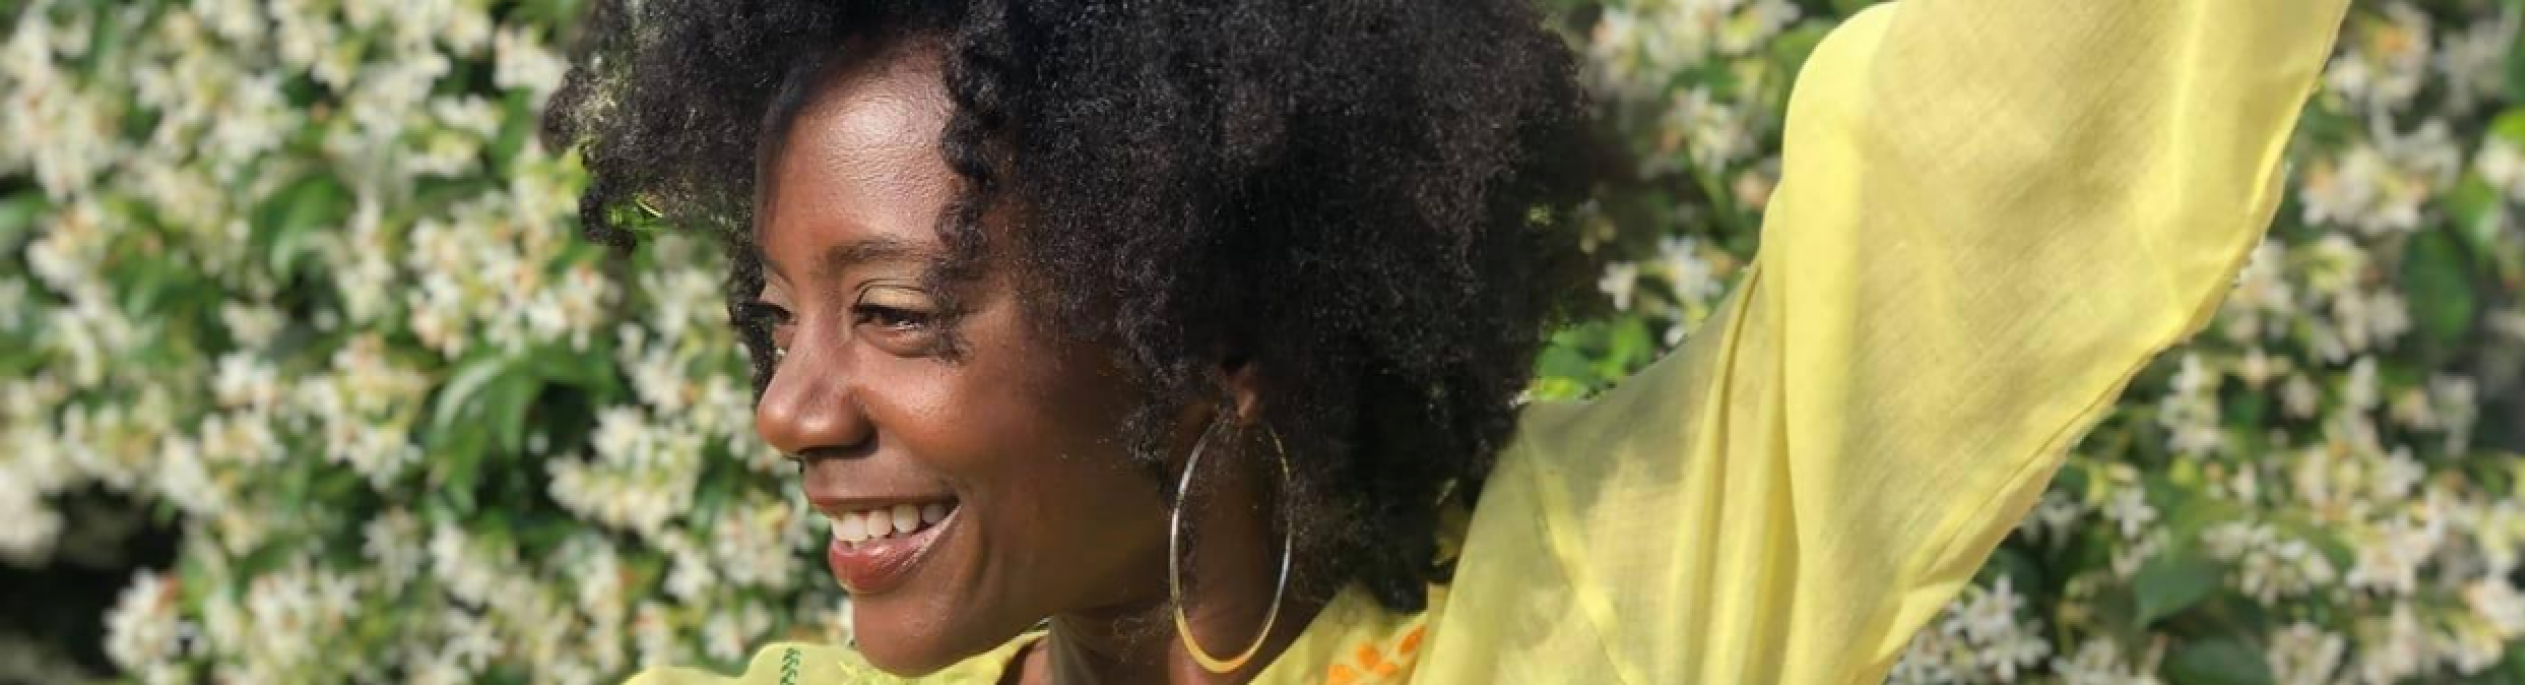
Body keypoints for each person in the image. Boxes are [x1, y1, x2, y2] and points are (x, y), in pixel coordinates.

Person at [544, 0, 2350, 682]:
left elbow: (1984, 134)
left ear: (1200, 337)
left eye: (894, 316)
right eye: (776, 321)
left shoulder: (1612, 600)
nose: (789, 411)